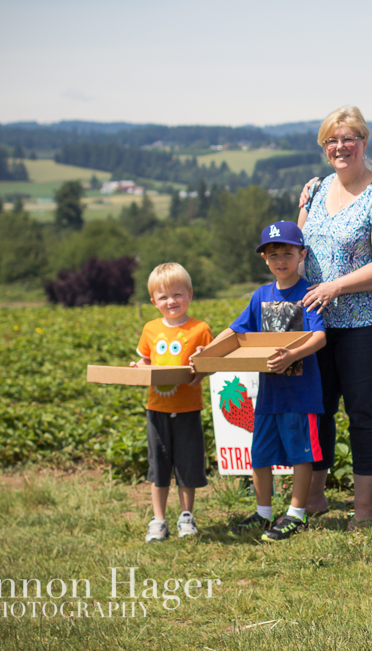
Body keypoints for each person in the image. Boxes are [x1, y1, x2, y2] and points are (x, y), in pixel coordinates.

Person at [297, 106, 372, 529]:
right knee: (317, 410)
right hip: (318, 323)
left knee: (364, 413)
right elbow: (298, 248)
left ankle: (364, 508)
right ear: (325, 149)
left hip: (366, 322)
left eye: (348, 139)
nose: (341, 147)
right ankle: (315, 497)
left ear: (364, 142)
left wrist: (336, 286)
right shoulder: (316, 190)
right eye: (331, 141)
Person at [207, 221, 327, 542]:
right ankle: (263, 514)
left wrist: (291, 355)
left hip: (302, 393)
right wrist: (208, 352)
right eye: (273, 255)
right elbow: (236, 331)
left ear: (301, 254)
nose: (280, 260)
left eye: (287, 253)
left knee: (301, 454)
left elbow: (319, 338)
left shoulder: (309, 293)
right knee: (259, 455)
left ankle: (296, 515)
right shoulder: (260, 296)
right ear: (265, 260)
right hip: (269, 395)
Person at [131, 263, 212, 543]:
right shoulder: (150, 329)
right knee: (159, 465)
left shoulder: (200, 329)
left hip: (189, 408)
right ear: (154, 302)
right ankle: (159, 519)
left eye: (177, 294)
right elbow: (145, 360)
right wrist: (138, 367)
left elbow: (209, 363)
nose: (171, 301)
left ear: (189, 294)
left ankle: (186, 516)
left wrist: (204, 356)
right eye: (163, 297)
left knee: (188, 464)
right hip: (157, 409)